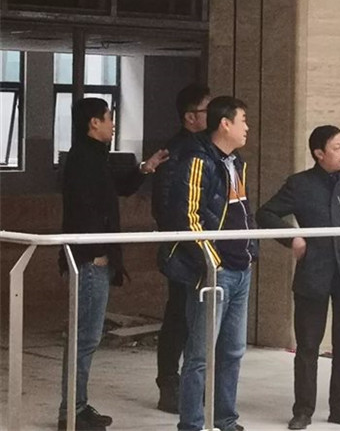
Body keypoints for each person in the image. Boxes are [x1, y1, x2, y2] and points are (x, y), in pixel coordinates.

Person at [256, 125, 340, 430]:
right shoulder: (300, 184)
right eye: (336, 148)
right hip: (313, 273)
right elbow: (266, 213)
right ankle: (303, 410)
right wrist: (293, 237)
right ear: (319, 154)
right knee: (308, 347)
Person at [58, 97, 168, 431]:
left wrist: (145, 168)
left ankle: (76, 406)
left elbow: (116, 188)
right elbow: (83, 209)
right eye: (109, 118)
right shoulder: (82, 159)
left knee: (86, 338)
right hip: (89, 260)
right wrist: (96, 252)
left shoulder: (95, 156)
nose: (113, 123)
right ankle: (72, 411)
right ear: (94, 122)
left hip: (94, 257)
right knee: (85, 338)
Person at [160, 96, 257, 431]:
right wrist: (211, 263)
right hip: (214, 272)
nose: (247, 128)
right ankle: (192, 423)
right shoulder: (198, 160)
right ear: (225, 124)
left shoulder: (237, 162)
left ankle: (225, 419)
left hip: (241, 268)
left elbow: (244, 211)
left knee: (233, 351)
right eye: (243, 120)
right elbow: (188, 217)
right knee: (200, 354)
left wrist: (250, 250)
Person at [152, 83, 211, 414]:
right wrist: (185, 241)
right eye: (207, 110)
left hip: (203, 247)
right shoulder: (178, 152)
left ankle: (191, 385)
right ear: (190, 117)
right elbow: (165, 205)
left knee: (194, 318)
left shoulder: (207, 148)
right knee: (177, 316)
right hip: (182, 247)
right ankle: (169, 384)